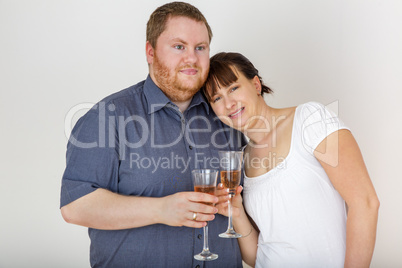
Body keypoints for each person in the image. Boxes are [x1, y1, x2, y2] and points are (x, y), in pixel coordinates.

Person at [60, 3, 245, 267]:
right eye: (179, 46)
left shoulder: (228, 116)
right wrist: (161, 209)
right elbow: (75, 206)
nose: (191, 58)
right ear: (150, 52)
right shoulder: (108, 117)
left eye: (200, 48)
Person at [203, 52, 380, 267]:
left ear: (256, 85)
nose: (229, 103)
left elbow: (365, 203)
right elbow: (257, 255)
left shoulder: (310, 119)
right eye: (217, 98)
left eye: (233, 88)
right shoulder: (242, 159)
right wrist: (237, 213)